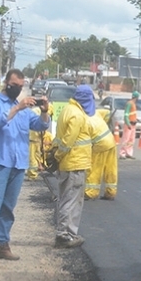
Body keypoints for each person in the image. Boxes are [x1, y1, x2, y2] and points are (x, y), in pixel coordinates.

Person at [0, 69, 51, 262]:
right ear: (6, 83)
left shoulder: (24, 109)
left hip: (18, 163)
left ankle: (1, 244)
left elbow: (41, 125)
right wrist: (16, 109)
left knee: (8, 207)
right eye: (14, 85)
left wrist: (45, 111)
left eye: (20, 86)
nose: (17, 88)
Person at [50, 85, 95, 248]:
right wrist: (58, 155)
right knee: (71, 201)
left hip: (68, 163)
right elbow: (68, 141)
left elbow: (60, 138)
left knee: (67, 199)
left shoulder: (67, 110)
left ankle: (67, 234)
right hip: (74, 163)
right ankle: (64, 235)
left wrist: (57, 157)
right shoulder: (76, 115)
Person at [84, 105, 118, 200]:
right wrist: (105, 124)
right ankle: (111, 192)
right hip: (110, 140)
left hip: (100, 144)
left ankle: (91, 193)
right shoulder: (96, 112)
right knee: (110, 168)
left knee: (95, 168)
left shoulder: (82, 119)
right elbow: (108, 113)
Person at [118, 91, 139, 159]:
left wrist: (135, 119)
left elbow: (132, 114)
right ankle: (122, 153)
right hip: (128, 125)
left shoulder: (133, 104)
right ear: (137, 97)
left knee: (131, 140)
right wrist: (128, 123)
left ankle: (129, 153)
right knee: (126, 139)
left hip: (133, 124)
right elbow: (126, 115)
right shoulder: (129, 104)